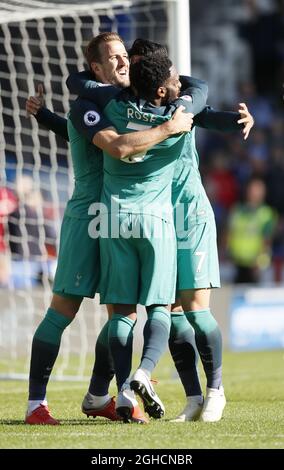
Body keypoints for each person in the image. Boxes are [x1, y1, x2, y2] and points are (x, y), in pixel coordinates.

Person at [24, 33, 196, 425]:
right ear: (97, 69)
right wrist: (170, 128)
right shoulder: (90, 103)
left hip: (118, 218)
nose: (123, 63)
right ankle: (36, 404)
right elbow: (112, 145)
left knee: (122, 314)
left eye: (125, 56)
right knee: (63, 310)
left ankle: (105, 395)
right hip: (89, 218)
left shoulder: (126, 103)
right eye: (114, 58)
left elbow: (193, 90)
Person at [227, 177, 277, 284]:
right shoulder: (237, 210)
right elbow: (229, 233)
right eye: (253, 189)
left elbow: (267, 241)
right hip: (236, 264)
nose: (254, 192)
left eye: (258, 189)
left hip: (255, 266)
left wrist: (261, 263)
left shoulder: (266, 213)